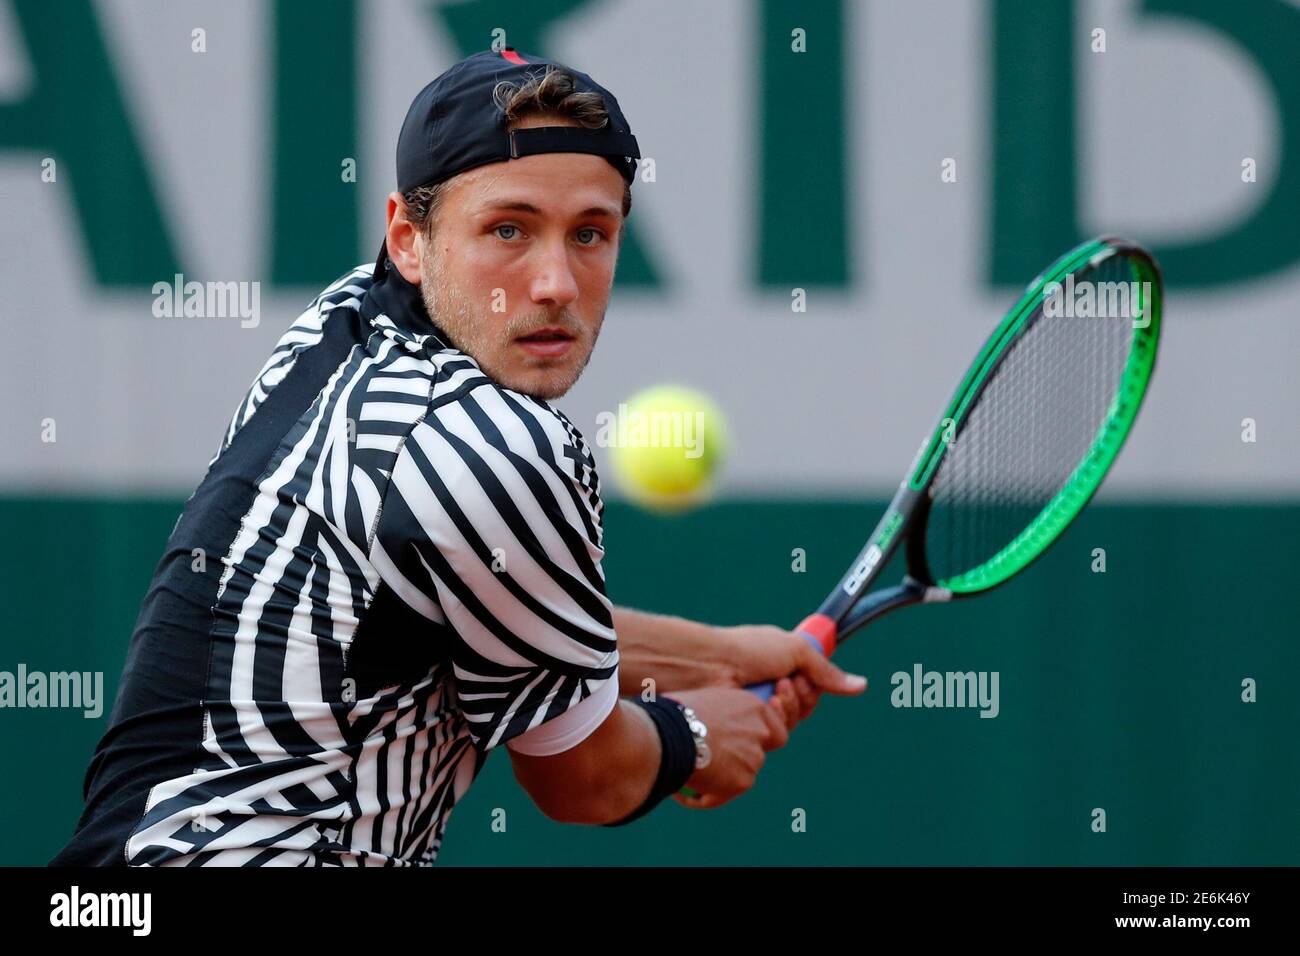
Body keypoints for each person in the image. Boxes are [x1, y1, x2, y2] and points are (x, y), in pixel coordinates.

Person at [51, 47, 865, 867]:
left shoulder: (333, 333)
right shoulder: (502, 450)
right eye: (507, 229)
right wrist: (692, 736)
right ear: (410, 237)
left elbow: (475, 610)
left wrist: (722, 658)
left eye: (591, 233)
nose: (553, 282)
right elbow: (583, 778)